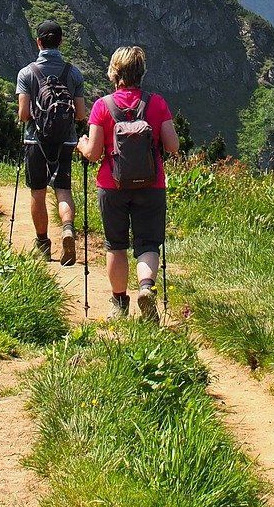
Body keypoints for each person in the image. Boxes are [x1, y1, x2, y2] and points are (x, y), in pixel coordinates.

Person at [79, 45, 180, 323]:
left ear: (114, 73)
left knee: (116, 245)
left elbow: (94, 153)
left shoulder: (102, 106)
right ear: (141, 72)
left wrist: (82, 144)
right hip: (151, 184)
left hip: (112, 186)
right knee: (148, 244)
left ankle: (119, 304)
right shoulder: (156, 103)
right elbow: (173, 146)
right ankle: (146, 287)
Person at [15, 22, 88, 264]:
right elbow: (80, 114)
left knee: (38, 192)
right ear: (61, 42)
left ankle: (43, 243)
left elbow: (23, 114)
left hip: (35, 141)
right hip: (65, 141)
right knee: (63, 190)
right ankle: (67, 229)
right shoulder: (73, 73)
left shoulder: (26, 73)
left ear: (38, 42)